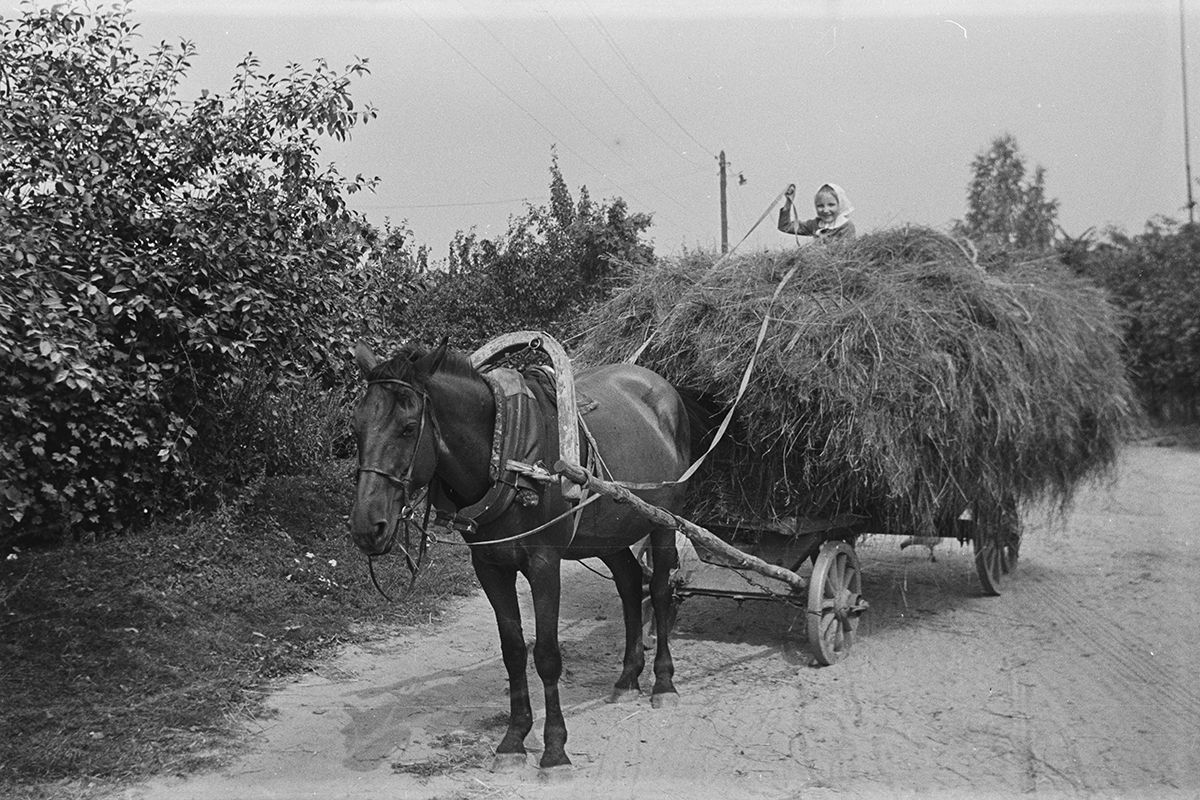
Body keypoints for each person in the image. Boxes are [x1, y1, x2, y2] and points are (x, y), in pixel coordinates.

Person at [778, 182, 856, 241]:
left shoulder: (846, 226)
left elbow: (846, 252)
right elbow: (785, 227)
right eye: (820, 206)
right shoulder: (815, 224)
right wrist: (789, 201)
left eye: (831, 205)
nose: (825, 210)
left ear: (840, 205)